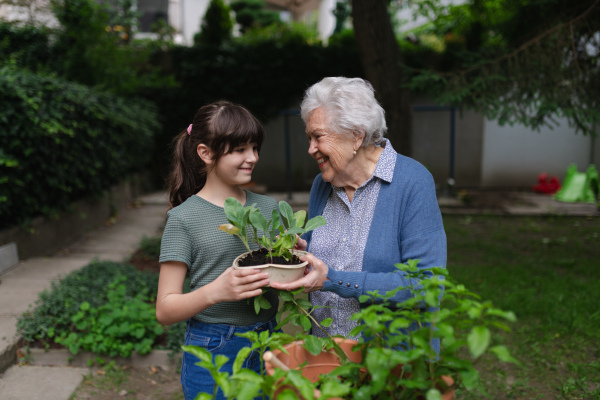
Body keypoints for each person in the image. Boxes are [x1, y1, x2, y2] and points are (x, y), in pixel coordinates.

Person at [270, 77, 447, 348]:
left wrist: (334, 280)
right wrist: (300, 254)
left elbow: (427, 286)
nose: (310, 149)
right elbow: (323, 261)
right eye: (309, 138)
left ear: (356, 135)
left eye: (318, 137)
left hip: (387, 360)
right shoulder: (323, 183)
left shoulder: (412, 181)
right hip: (327, 353)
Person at [156, 101, 279, 400]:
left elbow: (280, 277)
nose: (252, 158)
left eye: (254, 147)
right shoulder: (184, 219)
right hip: (215, 347)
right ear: (205, 153)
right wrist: (217, 291)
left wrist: (292, 258)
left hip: (269, 341)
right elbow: (165, 309)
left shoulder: (269, 208)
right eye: (239, 150)